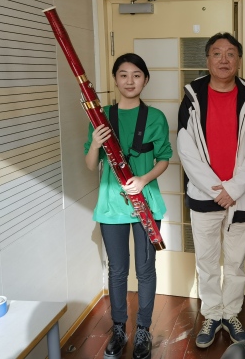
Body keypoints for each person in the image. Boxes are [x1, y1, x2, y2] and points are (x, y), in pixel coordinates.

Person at [177, 33, 245, 348]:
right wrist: (217, 189)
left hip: (242, 196)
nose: (224, 59)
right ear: (208, 59)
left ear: (239, 60)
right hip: (205, 196)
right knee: (206, 260)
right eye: (217, 53)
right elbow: (186, 148)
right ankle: (212, 314)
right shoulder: (192, 98)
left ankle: (231, 313)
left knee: (235, 261)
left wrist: (233, 189)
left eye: (231, 53)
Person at [84, 53, 172, 359]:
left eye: (136, 75)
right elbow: (90, 164)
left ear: (145, 80)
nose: (130, 81)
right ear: (115, 79)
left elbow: (164, 158)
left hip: (146, 204)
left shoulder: (156, 117)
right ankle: (119, 328)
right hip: (111, 206)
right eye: (123, 74)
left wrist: (143, 179)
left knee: (146, 270)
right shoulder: (101, 116)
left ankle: (143, 329)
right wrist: (96, 143)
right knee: (117, 270)